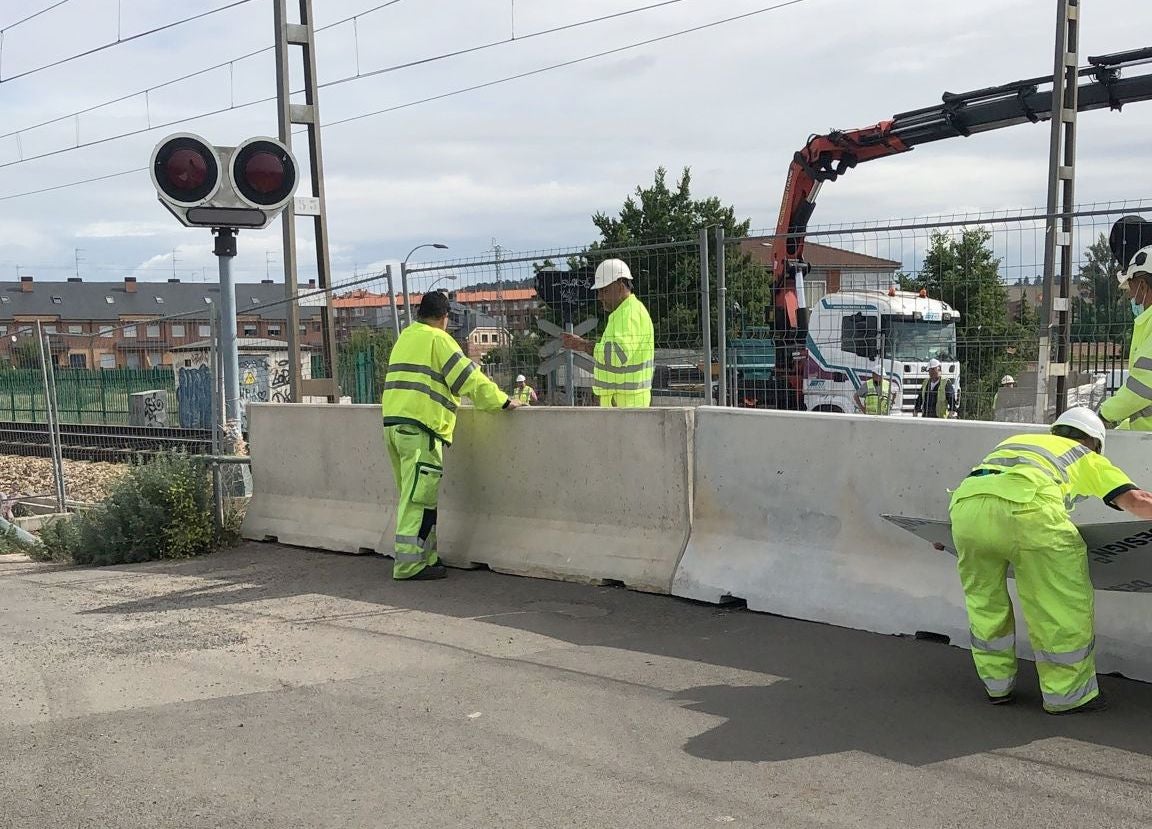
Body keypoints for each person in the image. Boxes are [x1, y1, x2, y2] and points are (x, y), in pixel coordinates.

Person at [948, 407, 1152, 714]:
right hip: (1030, 516)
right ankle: (1067, 696)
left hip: (965, 513)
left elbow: (985, 489)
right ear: (1094, 442)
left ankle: (997, 686)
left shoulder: (1017, 441)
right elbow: (1137, 502)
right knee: (1060, 605)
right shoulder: (1084, 455)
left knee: (984, 602)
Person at [381, 291, 520, 581]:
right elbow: (468, 378)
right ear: (445, 317)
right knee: (418, 499)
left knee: (415, 496)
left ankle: (426, 557)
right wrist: (502, 401)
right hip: (422, 429)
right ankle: (409, 564)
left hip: (394, 427)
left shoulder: (406, 337)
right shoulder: (439, 339)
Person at [560, 259, 654, 408]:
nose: (600, 297)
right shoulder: (625, 313)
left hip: (626, 404)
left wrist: (583, 346)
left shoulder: (628, 314)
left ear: (620, 286)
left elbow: (616, 356)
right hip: (624, 401)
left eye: (604, 290)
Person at [1100, 244, 1152, 430]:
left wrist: (1104, 416)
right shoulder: (1146, 323)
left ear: (1143, 285)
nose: (1130, 294)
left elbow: (1143, 385)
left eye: (1130, 285)